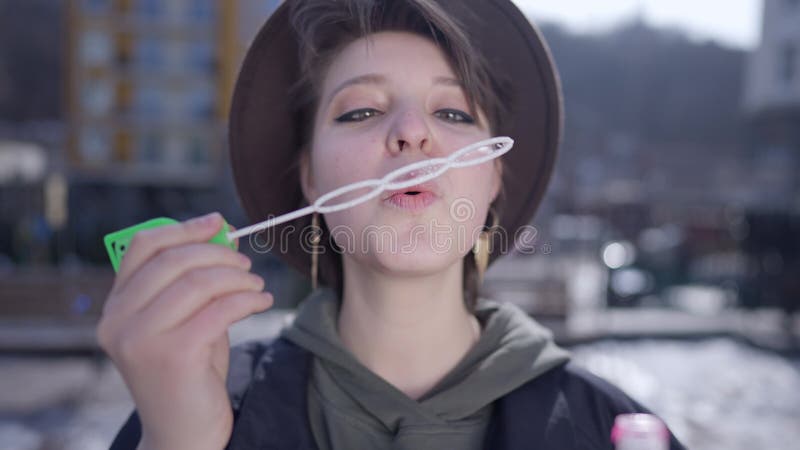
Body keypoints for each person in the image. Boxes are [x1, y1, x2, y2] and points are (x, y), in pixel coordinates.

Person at [101, 1, 686, 449]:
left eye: (452, 112)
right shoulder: (183, 409)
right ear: (310, 180)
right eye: (362, 111)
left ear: (493, 182)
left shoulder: (615, 431)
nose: (412, 132)